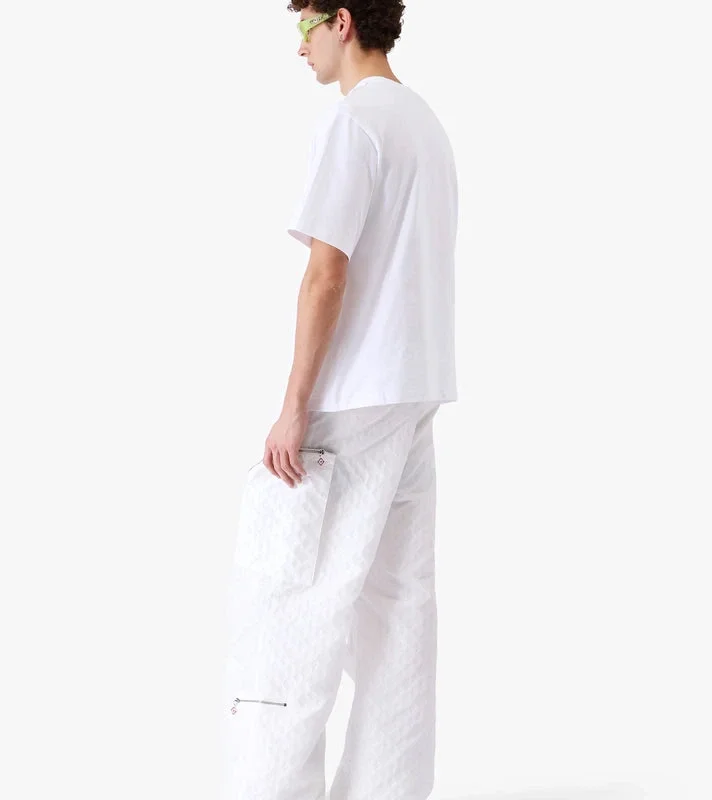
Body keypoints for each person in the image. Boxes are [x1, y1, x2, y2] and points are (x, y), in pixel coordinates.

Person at [221, 2, 459, 799]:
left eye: (305, 29)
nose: (301, 49)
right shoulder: (425, 126)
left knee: (289, 614)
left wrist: (294, 405)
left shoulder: (356, 123)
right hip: (413, 395)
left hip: (351, 403)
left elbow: (327, 274)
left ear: (344, 22)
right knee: (399, 621)